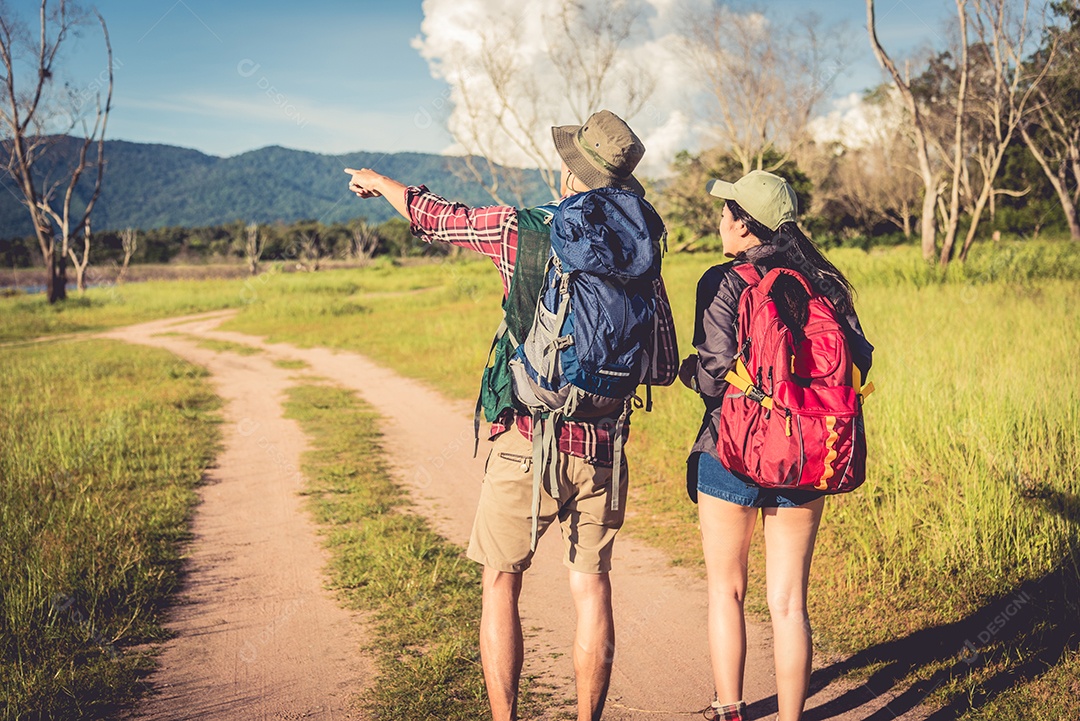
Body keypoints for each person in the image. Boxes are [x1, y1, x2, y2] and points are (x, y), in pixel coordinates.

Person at [345, 109, 678, 721]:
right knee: (592, 587)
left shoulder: (525, 228)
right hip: (603, 443)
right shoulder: (642, 247)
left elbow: (439, 219)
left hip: (527, 438)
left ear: (568, 170)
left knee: (501, 583)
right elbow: (660, 361)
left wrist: (384, 183)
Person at [678, 170, 872, 721]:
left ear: (744, 223)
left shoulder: (722, 281)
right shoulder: (826, 282)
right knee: (788, 602)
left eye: (725, 212)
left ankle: (729, 709)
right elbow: (860, 362)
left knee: (727, 591)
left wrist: (690, 371)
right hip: (809, 452)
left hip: (730, 449)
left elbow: (715, 378)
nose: (719, 220)